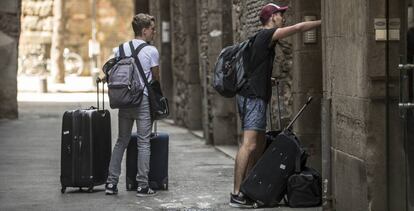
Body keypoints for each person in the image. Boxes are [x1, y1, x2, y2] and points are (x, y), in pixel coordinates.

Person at [229, 3, 321, 208]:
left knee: (259, 145)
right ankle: (236, 193)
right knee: (249, 144)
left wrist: (266, 79)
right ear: (272, 17)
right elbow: (297, 29)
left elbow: (253, 67)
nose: (283, 17)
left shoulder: (256, 39)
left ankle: (251, 187)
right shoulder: (266, 35)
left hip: (252, 96)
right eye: (281, 14)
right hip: (253, 98)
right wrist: (322, 23)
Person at [105, 13, 160, 197]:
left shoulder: (120, 49)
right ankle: (142, 186)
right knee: (144, 142)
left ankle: (111, 184)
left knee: (122, 140)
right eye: (152, 29)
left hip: (125, 100)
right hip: (142, 100)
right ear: (144, 31)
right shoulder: (151, 51)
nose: (154, 32)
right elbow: (155, 79)